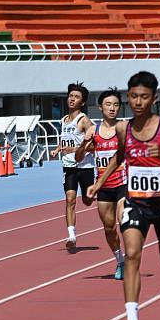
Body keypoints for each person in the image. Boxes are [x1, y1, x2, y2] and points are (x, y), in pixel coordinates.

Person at [87, 71, 160, 320]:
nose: (138, 102)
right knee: (132, 254)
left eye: (144, 97)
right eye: (133, 96)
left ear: (154, 99)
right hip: (136, 202)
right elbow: (119, 157)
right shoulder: (123, 129)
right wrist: (98, 184)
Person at [76, 88, 126, 280]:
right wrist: (84, 143)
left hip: (123, 183)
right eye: (108, 104)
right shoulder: (93, 131)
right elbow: (79, 158)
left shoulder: (123, 128)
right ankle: (119, 260)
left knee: (124, 222)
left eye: (116, 105)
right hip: (104, 187)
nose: (112, 108)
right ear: (100, 107)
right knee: (108, 228)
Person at [50, 82, 95, 251]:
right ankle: (71, 235)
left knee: (87, 200)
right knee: (70, 199)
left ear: (82, 102)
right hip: (68, 166)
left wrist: (77, 149)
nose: (72, 99)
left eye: (76, 97)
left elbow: (94, 144)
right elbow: (64, 141)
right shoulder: (64, 120)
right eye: (70, 96)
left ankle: (96, 191)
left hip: (85, 167)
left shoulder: (84, 121)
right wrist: (57, 149)